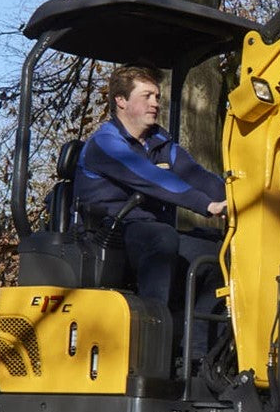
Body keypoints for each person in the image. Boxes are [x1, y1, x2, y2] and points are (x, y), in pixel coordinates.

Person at [73, 64, 226, 360]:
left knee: (214, 253)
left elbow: (196, 175)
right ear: (121, 100)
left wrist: (241, 196)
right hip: (108, 236)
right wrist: (206, 205)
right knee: (161, 238)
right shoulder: (105, 144)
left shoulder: (160, 143)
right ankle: (149, 347)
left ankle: (196, 357)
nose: (156, 103)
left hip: (152, 234)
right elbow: (152, 179)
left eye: (157, 96)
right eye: (148, 96)